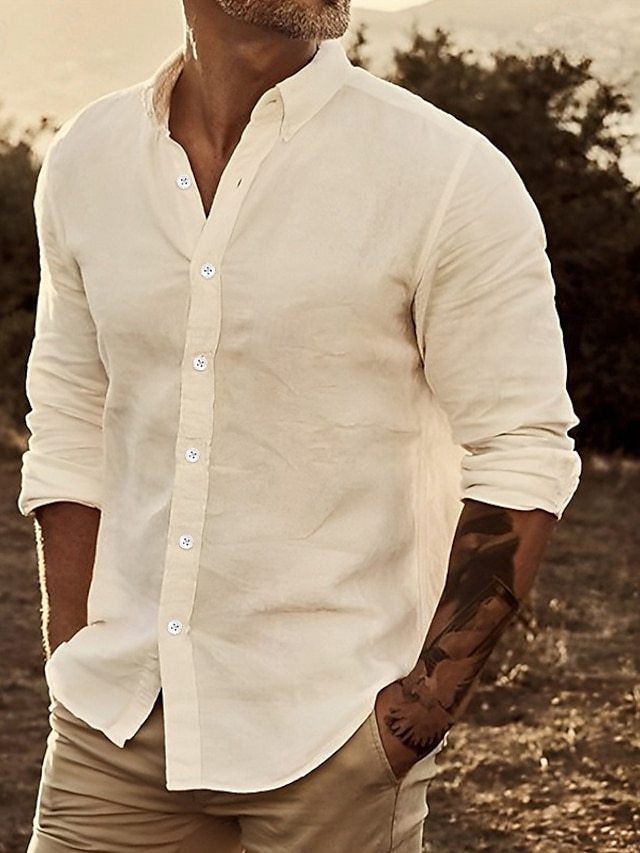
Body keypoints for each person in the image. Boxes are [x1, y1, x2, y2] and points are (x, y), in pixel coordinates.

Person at [17, 0, 582, 850]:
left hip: (333, 738)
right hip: (116, 723)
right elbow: (70, 420)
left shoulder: (448, 174)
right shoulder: (87, 159)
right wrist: (74, 655)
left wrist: (419, 712)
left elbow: (522, 446)